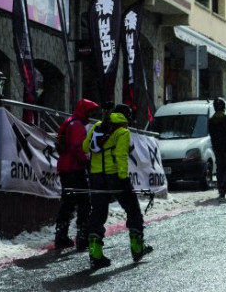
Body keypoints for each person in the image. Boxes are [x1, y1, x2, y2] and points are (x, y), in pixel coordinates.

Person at [83, 104, 152, 269]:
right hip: (115, 176)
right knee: (133, 210)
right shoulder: (122, 132)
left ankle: (95, 254)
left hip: (96, 176)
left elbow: (85, 147)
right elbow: (121, 155)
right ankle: (137, 248)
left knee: (98, 212)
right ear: (126, 117)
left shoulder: (97, 127)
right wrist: (122, 178)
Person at [54, 98, 99, 251]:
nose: (90, 116)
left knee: (68, 202)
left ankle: (61, 235)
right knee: (84, 203)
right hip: (74, 168)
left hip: (64, 167)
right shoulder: (78, 126)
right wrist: (87, 163)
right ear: (84, 111)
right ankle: (82, 236)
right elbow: (78, 148)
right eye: (90, 112)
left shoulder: (69, 121)